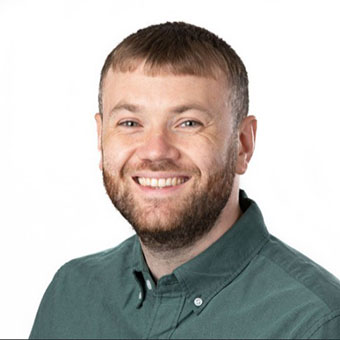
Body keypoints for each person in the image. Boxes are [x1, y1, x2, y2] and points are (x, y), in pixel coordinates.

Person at [29, 22, 340, 339]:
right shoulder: (71, 295)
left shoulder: (315, 322)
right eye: (130, 122)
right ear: (100, 137)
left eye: (188, 122)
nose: (155, 151)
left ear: (243, 144)